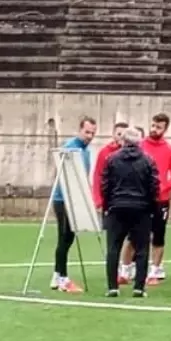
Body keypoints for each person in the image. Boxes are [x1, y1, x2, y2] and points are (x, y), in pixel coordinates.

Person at [100, 127, 159, 298]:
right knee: (141, 248)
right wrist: (151, 207)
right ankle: (139, 287)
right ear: (139, 142)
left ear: (123, 141)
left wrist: (107, 205)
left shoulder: (111, 159)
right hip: (141, 209)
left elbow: (105, 185)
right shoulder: (148, 160)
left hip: (117, 208)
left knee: (113, 248)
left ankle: (112, 287)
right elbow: (154, 187)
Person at [128, 113, 171, 286]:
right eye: (153, 125)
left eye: (159, 127)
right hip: (140, 198)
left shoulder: (170, 150)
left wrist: (162, 187)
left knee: (158, 235)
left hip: (161, 200)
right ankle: (126, 268)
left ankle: (155, 270)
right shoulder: (140, 146)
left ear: (165, 129)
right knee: (135, 234)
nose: (154, 129)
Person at [52, 116, 96, 293]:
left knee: (68, 238)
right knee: (65, 237)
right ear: (80, 130)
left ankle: (57, 274)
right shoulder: (70, 148)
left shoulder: (86, 151)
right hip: (63, 199)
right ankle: (62, 277)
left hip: (76, 198)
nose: (90, 136)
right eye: (87, 132)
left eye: (93, 133)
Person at [91, 121, 130, 211]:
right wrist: (97, 199)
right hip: (109, 200)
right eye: (119, 134)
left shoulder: (133, 153)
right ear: (113, 135)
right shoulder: (104, 152)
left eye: (124, 134)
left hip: (127, 200)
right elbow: (98, 175)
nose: (121, 137)